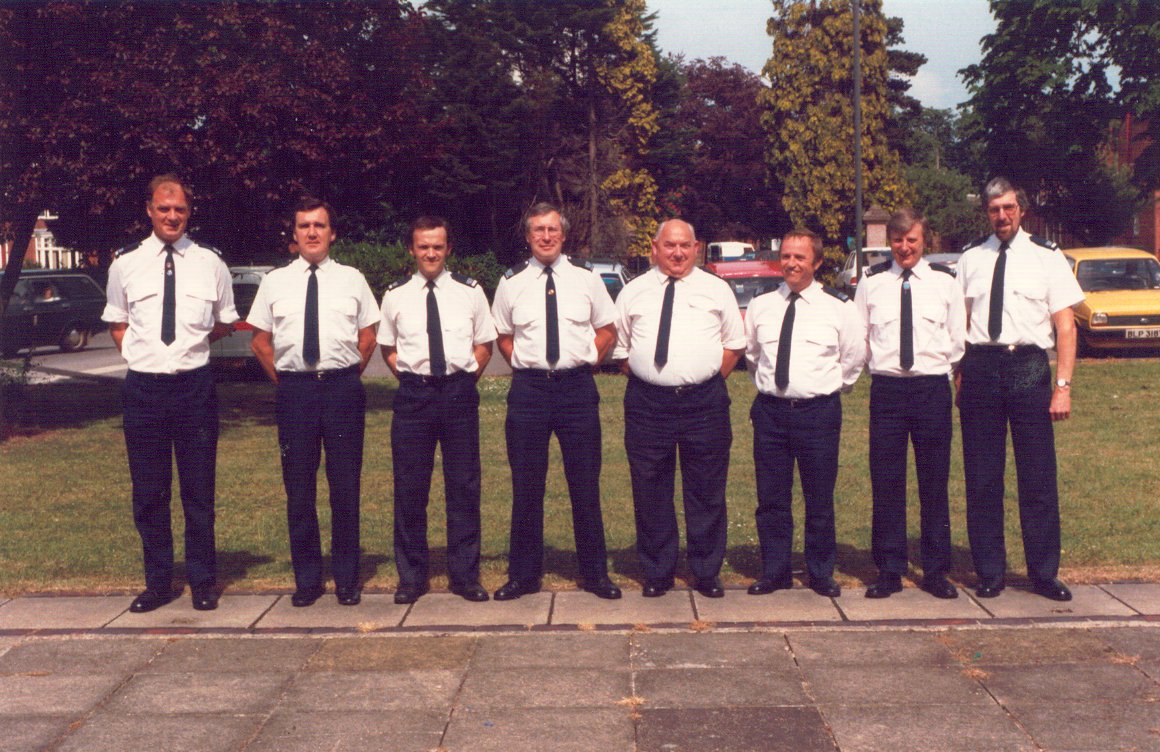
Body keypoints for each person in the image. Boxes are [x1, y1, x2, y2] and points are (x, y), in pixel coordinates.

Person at [102, 174, 238, 613]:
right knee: (149, 492)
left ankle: (202, 582)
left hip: (194, 387)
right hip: (144, 390)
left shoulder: (211, 263)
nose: (172, 216)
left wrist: (185, 350)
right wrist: (149, 358)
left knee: (199, 491)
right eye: (164, 209)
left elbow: (224, 323)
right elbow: (118, 324)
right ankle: (158, 582)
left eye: (179, 209)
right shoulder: (125, 263)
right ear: (149, 210)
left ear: (189, 212)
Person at [956, 177, 1082, 602]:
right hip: (981, 368)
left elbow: (1065, 326)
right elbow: (961, 323)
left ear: (1021, 210)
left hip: (1028, 368)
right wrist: (959, 370)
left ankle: (1043, 574)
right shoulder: (971, 257)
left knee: (1037, 477)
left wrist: (1062, 386)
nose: (1002, 216)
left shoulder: (1047, 257)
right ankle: (990, 570)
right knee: (983, 476)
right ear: (987, 212)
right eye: (994, 209)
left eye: (1008, 208)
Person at [248, 197, 378, 607]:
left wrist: (341, 375)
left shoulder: (353, 279)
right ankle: (307, 580)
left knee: (345, 487)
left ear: (332, 233)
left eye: (319, 225)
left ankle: (347, 579)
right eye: (304, 226)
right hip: (296, 392)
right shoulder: (274, 282)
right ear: (295, 233)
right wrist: (287, 382)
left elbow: (369, 336)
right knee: (299, 489)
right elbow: (260, 341)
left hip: (341, 389)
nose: (312, 232)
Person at [489, 203, 621, 601]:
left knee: (584, 483)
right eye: (537, 231)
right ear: (528, 237)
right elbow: (504, 335)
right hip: (529, 392)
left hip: (576, 390)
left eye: (552, 230)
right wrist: (523, 364)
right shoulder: (511, 282)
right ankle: (523, 576)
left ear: (563, 235)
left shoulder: (587, 279)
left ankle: (595, 574)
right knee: (526, 485)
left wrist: (585, 362)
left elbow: (606, 329)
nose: (545, 237)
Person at [613, 219, 745, 598]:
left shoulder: (716, 290)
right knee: (650, 486)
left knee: (706, 489)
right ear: (654, 248)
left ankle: (706, 571)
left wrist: (697, 379)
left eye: (685, 246)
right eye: (669, 246)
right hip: (647, 403)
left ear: (697, 247)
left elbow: (733, 345)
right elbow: (621, 350)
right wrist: (657, 379)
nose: (677, 253)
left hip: (704, 402)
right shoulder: (633, 292)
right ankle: (658, 571)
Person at [379, 217, 496, 604]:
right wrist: (414, 379)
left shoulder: (470, 291)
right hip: (415, 397)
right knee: (411, 487)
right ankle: (412, 577)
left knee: (463, 486)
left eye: (438, 246)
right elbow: (388, 348)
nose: (431, 253)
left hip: (459, 394)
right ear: (411, 250)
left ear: (448, 249)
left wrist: (462, 381)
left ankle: (464, 575)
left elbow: (484, 345)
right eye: (423, 246)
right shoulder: (395, 294)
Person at [744, 229, 863, 598]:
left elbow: (853, 360)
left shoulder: (839, 307)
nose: (792, 263)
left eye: (800, 257)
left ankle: (820, 572)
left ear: (817, 262)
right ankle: (775, 570)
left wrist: (819, 389)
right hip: (771, 414)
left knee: (819, 497)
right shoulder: (762, 305)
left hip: (818, 414)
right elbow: (752, 358)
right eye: (786, 256)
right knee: (771, 498)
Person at [854, 210, 965, 600]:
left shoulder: (945, 283)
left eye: (912, 240)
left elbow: (956, 338)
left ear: (925, 242)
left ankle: (935, 571)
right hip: (887, 391)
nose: (904, 247)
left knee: (933, 482)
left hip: (931, 390)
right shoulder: (872, 283)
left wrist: (935, 370)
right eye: (898, 241)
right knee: (887, 481)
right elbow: (859, 337)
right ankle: (889, 569)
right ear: (890, 243)